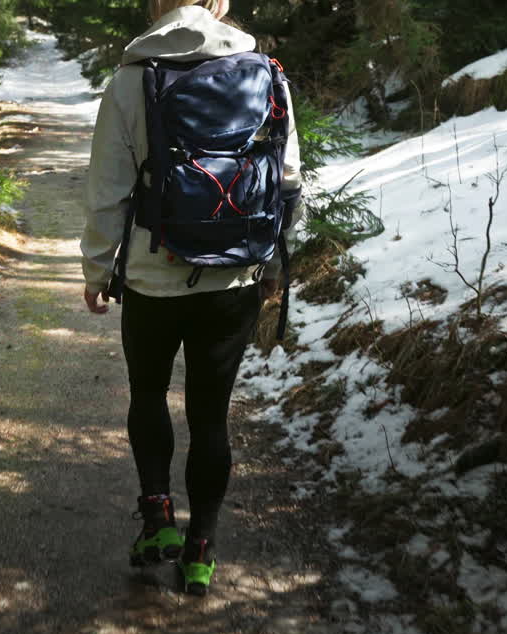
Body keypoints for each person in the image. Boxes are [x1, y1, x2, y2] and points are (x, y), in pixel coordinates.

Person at [80, 0, 303, 595]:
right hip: (234, 277)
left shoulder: (132, 79)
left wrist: (98, 269)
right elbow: (287, 180)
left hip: (153, 274)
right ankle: (201, 548)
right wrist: (274, 262)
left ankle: (158, 521)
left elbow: (107, 189)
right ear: (221, 4)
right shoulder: (266, 72)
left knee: (148, 394)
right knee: (210, 415)